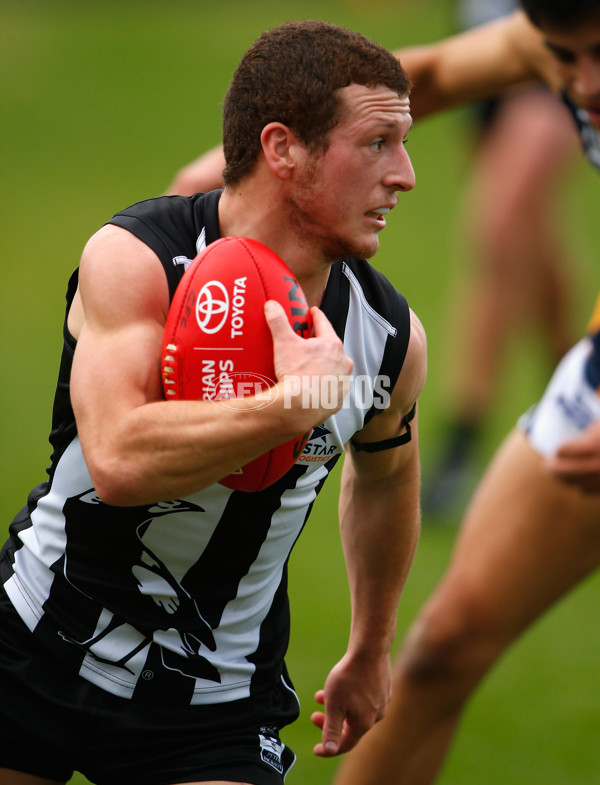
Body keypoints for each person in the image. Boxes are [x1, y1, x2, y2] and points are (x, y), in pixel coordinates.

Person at [0, 20, 426, 785]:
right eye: (377, 143)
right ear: (283, 147)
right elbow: (122, 458)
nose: (406, 174)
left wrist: (372, 643)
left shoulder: (388, 335)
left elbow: (388, 476)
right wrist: (287, 409)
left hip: (213, 699)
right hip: (35, 641)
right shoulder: (136, 261)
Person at [330, 3, 600, 784]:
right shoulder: (567, 53)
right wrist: (244, 153)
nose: (579, 83)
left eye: (597, 54)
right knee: (441, 647)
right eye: (560, 56)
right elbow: (440, 74)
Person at [421, 0, 579, 516]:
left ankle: (461, 440)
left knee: (497, 228)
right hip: (485, 49)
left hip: (556, 50)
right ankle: (577, 397)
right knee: (526, 245)